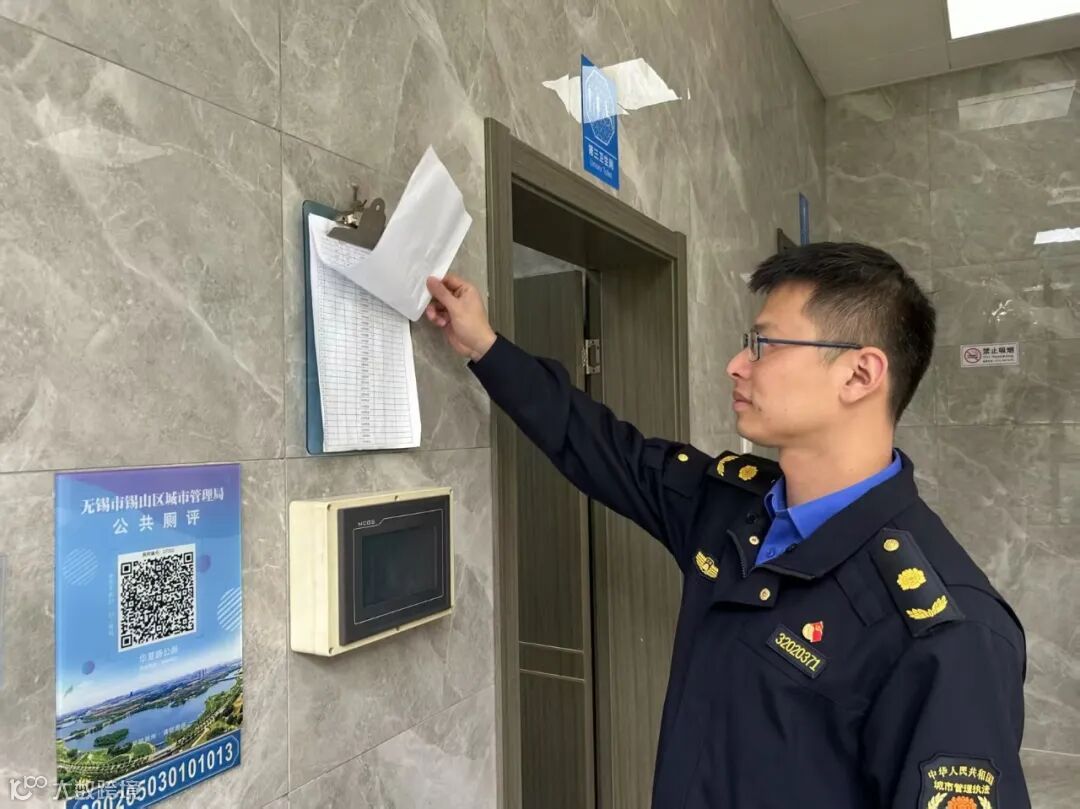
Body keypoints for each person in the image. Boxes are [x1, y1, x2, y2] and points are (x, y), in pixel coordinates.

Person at [424, 242, 1029, 809]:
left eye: (764, 344)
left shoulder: (946, 635)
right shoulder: (732, 507)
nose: (737, 364)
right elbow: (598, 445)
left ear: (859, 375)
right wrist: (484, 345)